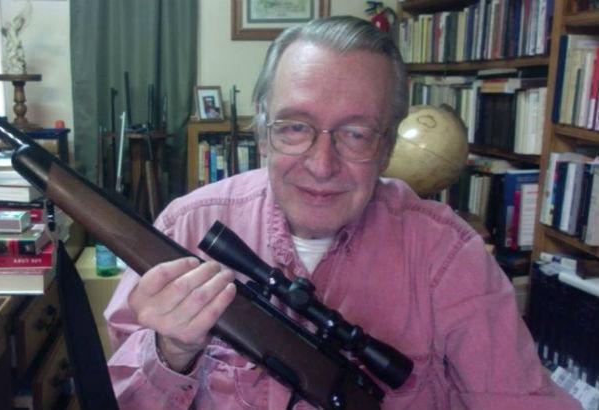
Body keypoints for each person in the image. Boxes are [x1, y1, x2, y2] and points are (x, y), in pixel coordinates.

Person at [104, 16, 580, 410]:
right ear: (263, 131)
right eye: (295, 127)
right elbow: (118, 397)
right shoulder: (185, 228)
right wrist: (172, 351)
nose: (321, 164)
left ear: (388, 145)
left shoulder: (449, 255)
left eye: (356, 134)